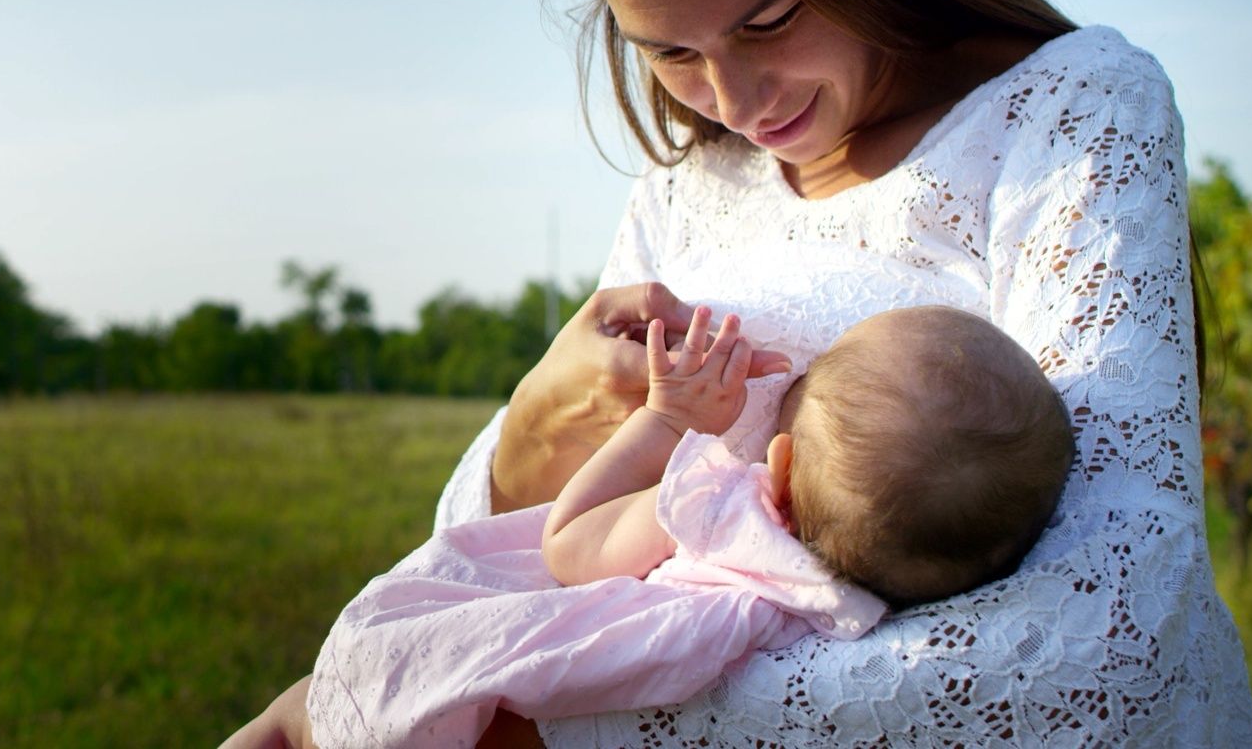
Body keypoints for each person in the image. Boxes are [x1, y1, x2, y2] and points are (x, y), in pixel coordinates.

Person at [428, 0, 1252, 747]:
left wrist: (539, 728)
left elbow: (1115, 622)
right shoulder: (689, 189)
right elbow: (480, 553)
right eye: (670, 53)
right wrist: (535, 420)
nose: (732, 100)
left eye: (767, 20)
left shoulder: (1067, 116)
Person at [226, 303, 1076, 749]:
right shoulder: (852, 614)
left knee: (298, 720)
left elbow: (572, 540)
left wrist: (667, 421)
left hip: (442, 693)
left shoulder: (727, 523)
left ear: (776, 473)